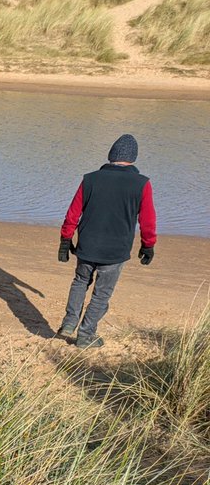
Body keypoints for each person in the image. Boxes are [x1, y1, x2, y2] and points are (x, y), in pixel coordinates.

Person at [57, 133, 156, 348]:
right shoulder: (142, 183)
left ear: (111, 156)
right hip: (115, 250)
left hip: (87, 244)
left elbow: (73, 213)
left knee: (80, 281)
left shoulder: (90, 179)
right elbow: (148, 220)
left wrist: (66, 239)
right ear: (133, 159)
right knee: (102, 294)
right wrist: (148, 245)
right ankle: (86, 335)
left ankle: (69, 322)